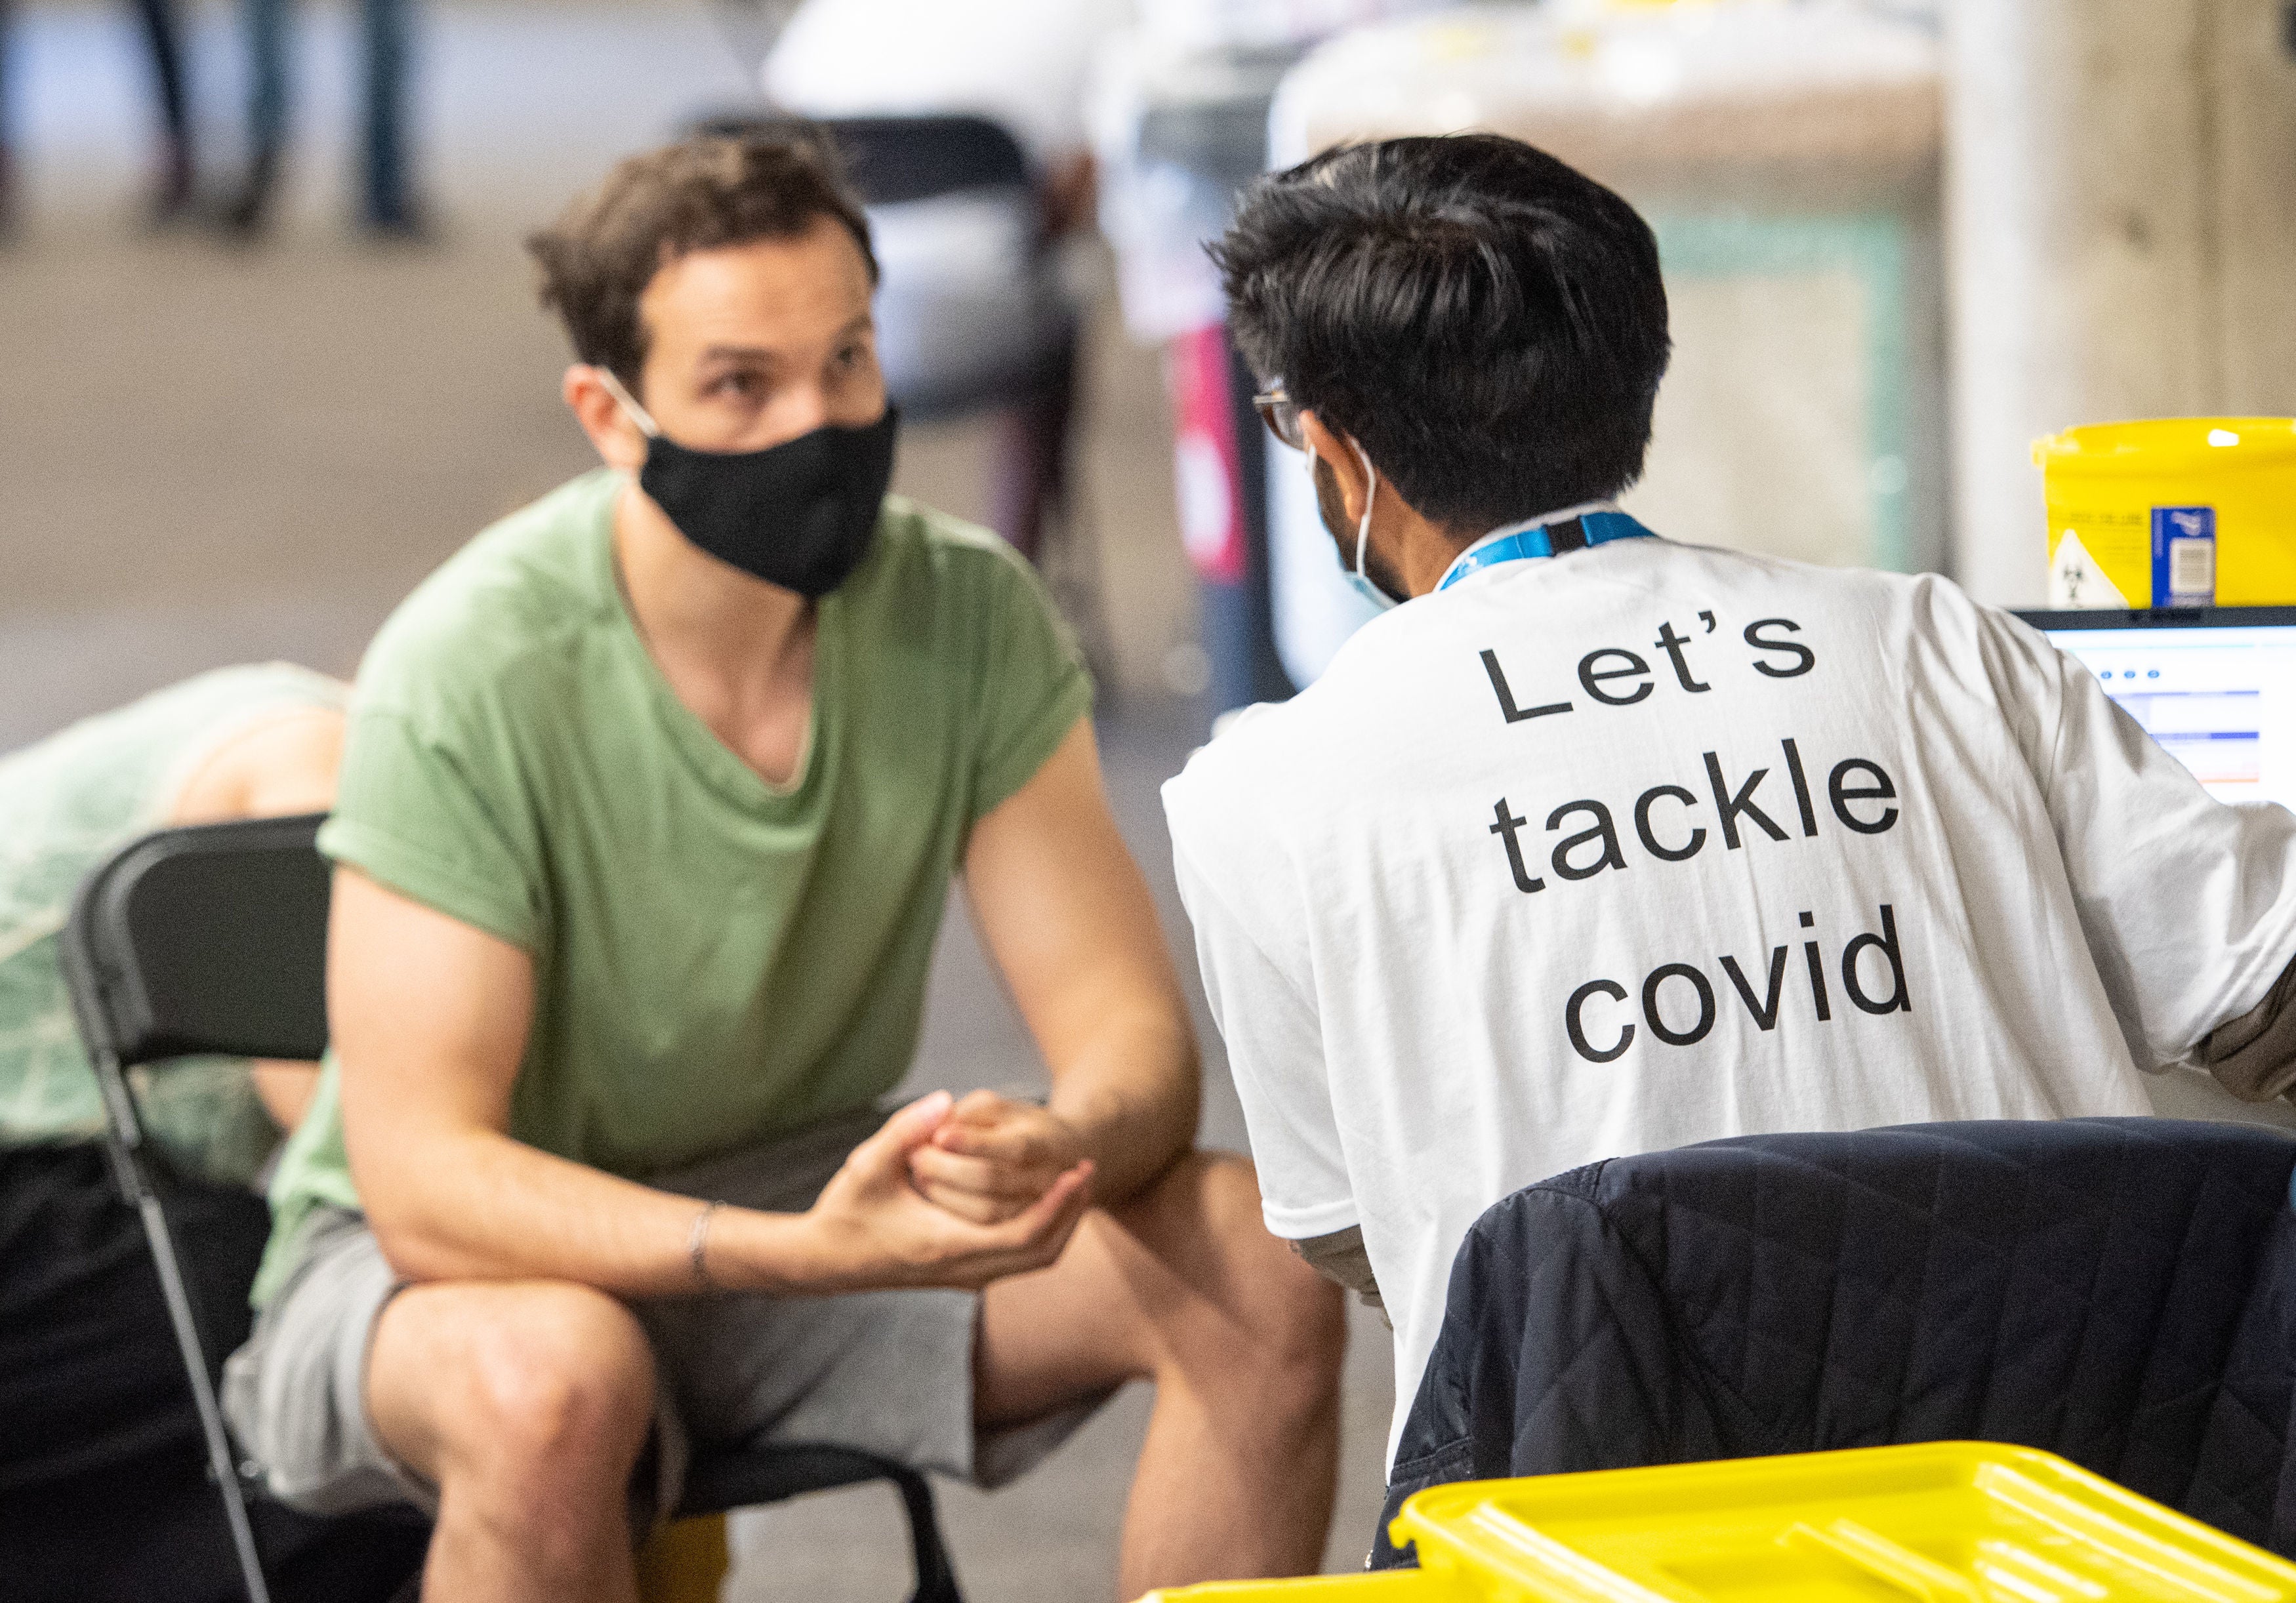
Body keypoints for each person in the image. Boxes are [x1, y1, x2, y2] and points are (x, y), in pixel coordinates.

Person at [220, 129, 1343, 1602]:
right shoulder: (472, 663)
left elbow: (1130, 1044)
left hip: (813, 1206)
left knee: (1252, 1273)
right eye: (740, 386)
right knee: (551, 1380)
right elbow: (425, 1177)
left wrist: (1065, 1142)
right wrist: (796, 1253)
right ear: (609, 416)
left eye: (848, 361)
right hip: (437, 1271)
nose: (816, 423)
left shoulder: (965, 614)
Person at [1160, 132, 2296, 1474]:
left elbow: (1378, 1233)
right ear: (1634, 374)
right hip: (2079, 1514)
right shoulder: (1933, 644)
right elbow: (2261, 992)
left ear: (1342, 458)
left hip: (1589, 1537)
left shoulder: (1258, 797)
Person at [0, 664, 402, 1601]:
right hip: (40, 1196)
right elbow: (352, 1143)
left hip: (73, 1191)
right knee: (318, 1345)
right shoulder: (316, 762)